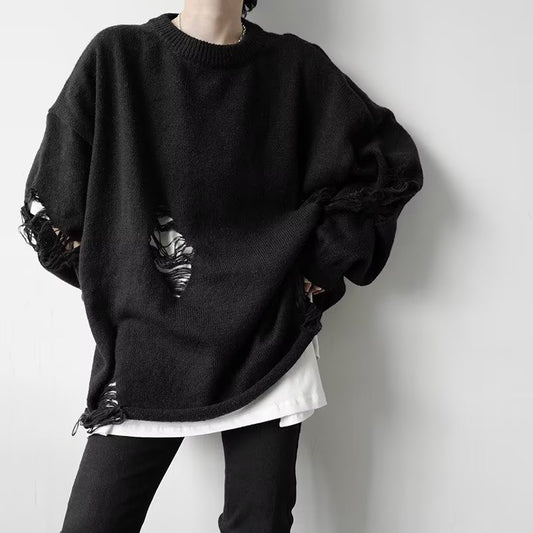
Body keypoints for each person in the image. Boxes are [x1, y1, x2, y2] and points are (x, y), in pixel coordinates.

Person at [18, 1, 424, 531]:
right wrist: (134, 281)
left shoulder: (295, 69)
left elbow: (388, 162)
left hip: (268, 336)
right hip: (147, 343)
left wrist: (319, 268)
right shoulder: (117, 56)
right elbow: (54, 205)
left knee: (258, 522)